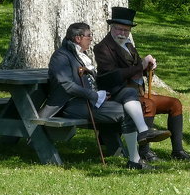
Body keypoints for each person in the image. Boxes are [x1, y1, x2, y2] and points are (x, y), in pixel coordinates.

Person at [44, 22, 168, 170]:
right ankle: (135, 161)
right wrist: (94, 95)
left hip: (89, 102)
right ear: (78, 38)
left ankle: (142, 136)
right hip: (70, 105)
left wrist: (102, 92)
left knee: (129, 93)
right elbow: (67, 85)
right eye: (89, 36)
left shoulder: (80, 54)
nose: (91, 39)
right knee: (125, 112)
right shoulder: (61, 56)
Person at [94, 6, 190, 161]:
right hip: (118, 94)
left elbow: (134, 70)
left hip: (138, 92)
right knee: (148, 104)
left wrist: (147, 68)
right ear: (111, 28)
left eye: (126, 31)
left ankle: (178, 151)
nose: (122, 34)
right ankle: (144, 151)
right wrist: (141, 65)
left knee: (175, 104)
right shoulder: (102, 48)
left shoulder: (128, 45)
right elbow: (114, 76)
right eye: (119, 30)